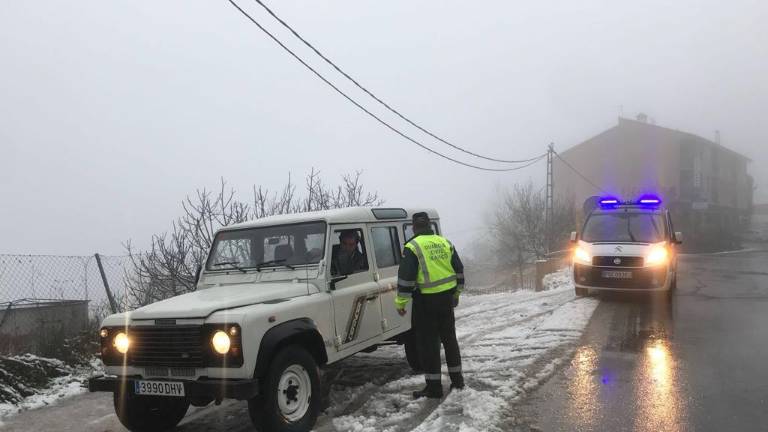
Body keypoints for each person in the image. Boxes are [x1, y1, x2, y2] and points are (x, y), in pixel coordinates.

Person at [395, 212, 465, 399]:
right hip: (446, 301)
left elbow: (406, 278)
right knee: (450, 341)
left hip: (425, 303)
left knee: (429, 346)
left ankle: (434, 388)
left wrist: (401, 302)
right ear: (429, 226)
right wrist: (456, 294)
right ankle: (458, 382)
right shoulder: (445, 243)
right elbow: (459, 271)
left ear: (414, 227)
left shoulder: (413, 246)